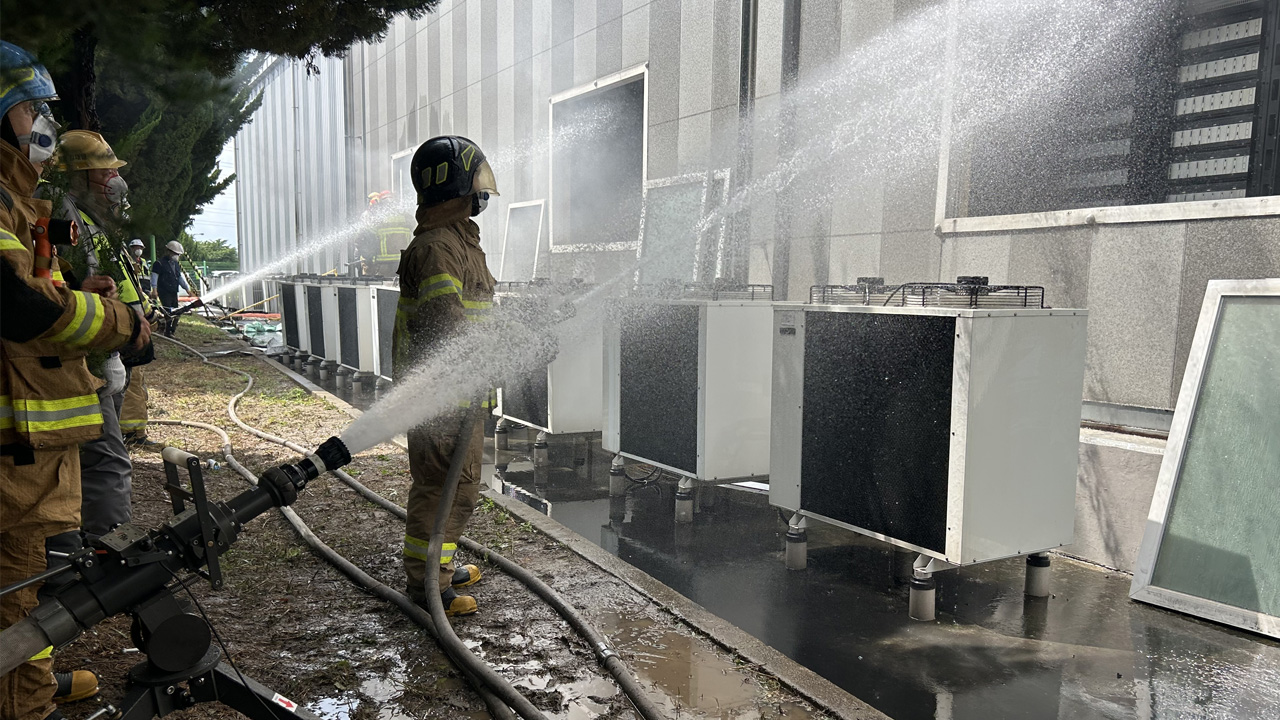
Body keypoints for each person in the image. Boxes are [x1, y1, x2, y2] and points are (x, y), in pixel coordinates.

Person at [1, 41, 148, 719]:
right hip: (14, 454)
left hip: (28, 451)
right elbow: (21, 307)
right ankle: (23, 702)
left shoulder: (19, 202)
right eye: (32, 108)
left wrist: (84, 294)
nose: (42, 124)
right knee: (13, 595)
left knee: (18, 595)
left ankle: (31, 687)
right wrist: (115, 321)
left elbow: (37, 288)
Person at [393, 136, 498, 616]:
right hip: (441, 399)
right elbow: (445, 320)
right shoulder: (439, 247)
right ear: (455, 184)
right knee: (441, 488)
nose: (483, 193)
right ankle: (426, 584)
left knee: (459, 488)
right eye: (476, 182)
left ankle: (438, 567)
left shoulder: (456, 241)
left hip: (459, 395)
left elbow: (474, 316)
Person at [46, 130, 154, 542]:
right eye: (101, 171)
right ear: (75, 176)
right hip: (89, 355)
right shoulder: (64, 214)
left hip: (108, 349)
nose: (113, 180)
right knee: (107, 461)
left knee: (96, 460)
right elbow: (72, 289)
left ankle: (82, 551)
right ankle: (106, 556)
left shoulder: (90, 219)